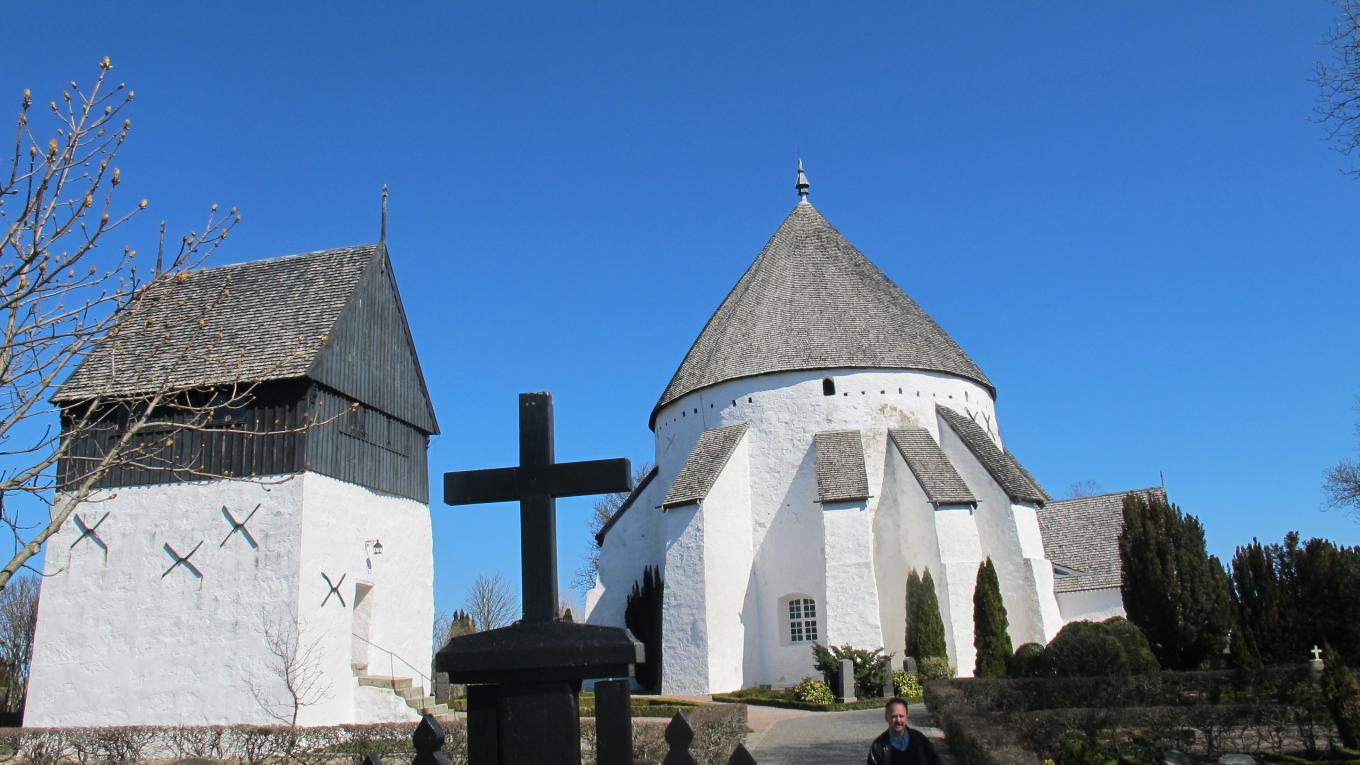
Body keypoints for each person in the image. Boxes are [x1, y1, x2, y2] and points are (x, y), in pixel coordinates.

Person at [867, 697, 941, 765]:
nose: (898, 720)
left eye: (901, 716)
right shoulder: (878, 746)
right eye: (894, 716)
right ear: (886, 717)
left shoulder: (919, 740)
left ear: (906, 717)